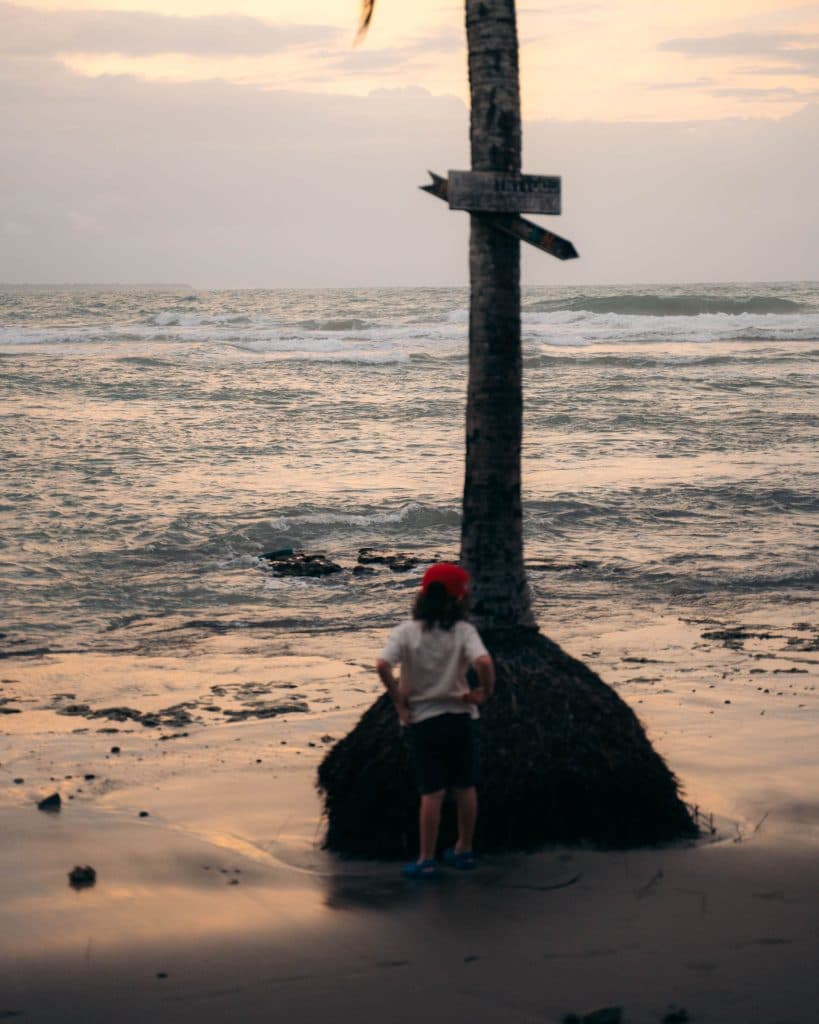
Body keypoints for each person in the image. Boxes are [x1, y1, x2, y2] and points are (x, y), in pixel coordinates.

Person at [376, 562, 495, 878]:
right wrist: (484, 691)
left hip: (424, 721)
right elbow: (483, 661)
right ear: (460, 600)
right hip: (459, 717)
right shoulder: (463, 632)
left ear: (422, 595)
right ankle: (464, 849)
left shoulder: (406, 632)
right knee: (465, 786)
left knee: (432, 792)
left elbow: (382, 665)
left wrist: (398, 699)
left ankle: (426, 858)